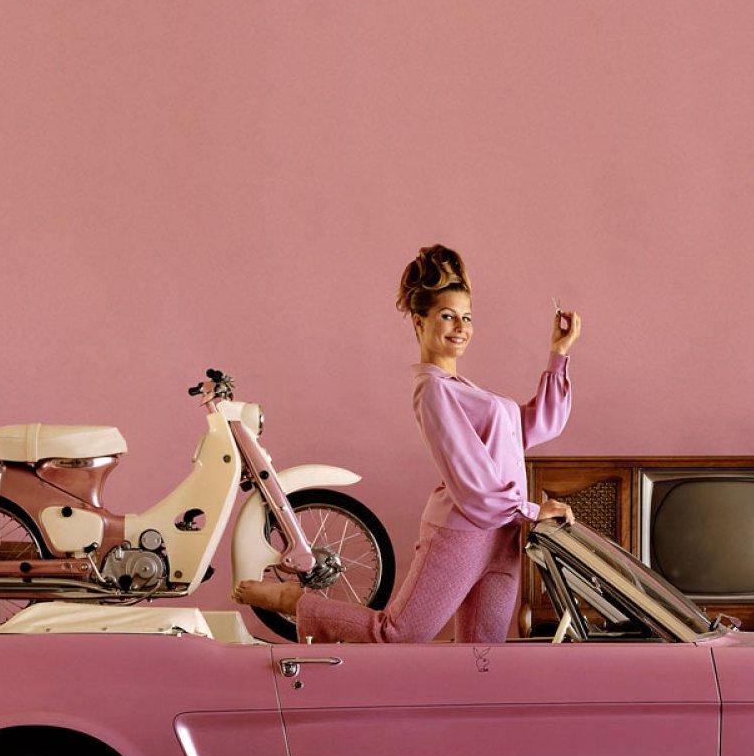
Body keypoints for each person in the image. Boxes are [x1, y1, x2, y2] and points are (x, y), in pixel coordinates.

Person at [232, 243, 581, 643]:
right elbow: (473, 486)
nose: (460, 327)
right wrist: (533, 510)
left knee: (482, 662)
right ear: (420, 323)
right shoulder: (432, 390)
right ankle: (299, 602)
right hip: (463, 532)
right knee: (398, 634)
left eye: (466, 317)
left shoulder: (467, 391)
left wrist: (558, 354)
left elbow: (536, 427)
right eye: (447, 317)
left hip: (505, 534)